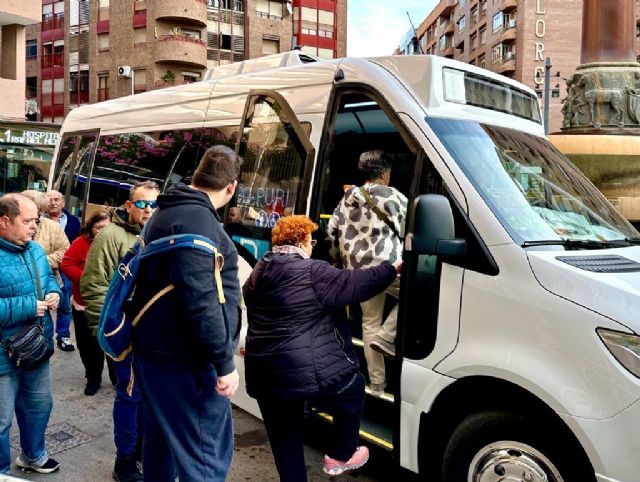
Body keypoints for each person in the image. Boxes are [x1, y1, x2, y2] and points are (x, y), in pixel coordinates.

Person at [243, 215, 398, 481]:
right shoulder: (314, 271)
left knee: (285, 443)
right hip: (300, 370)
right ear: (303, 240)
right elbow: (357, 283)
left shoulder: (258, 271)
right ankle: (341, 454)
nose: (312, 245)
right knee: (353, 387)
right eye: (311, 240)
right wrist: (392, 269)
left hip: (263, 373)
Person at [130, 145, 242, 482]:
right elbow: (202, 299)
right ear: (231, 187)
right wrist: (225, 364)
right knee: (204, 458)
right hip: (186, 362)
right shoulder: (199, 222)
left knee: (162, 445)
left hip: (156, 353)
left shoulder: (165, 211)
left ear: (196, 176)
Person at [80, 181, 159, 482]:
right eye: (141, 204)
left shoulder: (161, 235)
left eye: (153, 204)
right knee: (129, 398)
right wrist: (113, 336)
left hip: (154, 340)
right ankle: (124, 460)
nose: (148, 209)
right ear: (128, 206)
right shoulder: (111, 236)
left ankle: (142, 454)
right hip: (126, 338)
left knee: (148, 401)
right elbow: (94, 286)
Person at [326, 150, 407, 395]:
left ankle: (377, 386)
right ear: (384, 173)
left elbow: (331, 233)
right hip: (389, 270)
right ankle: (388, 335)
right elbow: (410, 230)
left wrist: (336, 261)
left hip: (358, 275)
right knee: (418, 295)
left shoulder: (346, 198)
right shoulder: (395, 197)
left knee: (369, 323)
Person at [0, 194, 61, 474]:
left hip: (36, 347)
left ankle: (33, 455)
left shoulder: (35, 249)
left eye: (36, 220)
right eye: (27, 221)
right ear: (4, 221)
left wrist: (54, 292)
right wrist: (26, 306)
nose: (34, 226)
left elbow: (48, 277)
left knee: (39, 406)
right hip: (3, 356)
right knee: (1, 421)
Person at [60, 210, 112, 396]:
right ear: (91, 227)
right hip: (84, 304)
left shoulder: (117, 243)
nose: (102, 232)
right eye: (99, 227)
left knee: (113, 342)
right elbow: (66, 264)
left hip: (112, 304)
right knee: (88, 345)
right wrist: (88, 280)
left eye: (106, 227)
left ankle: (116, 377)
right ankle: (93, 378)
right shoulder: (81, 243)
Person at [21, 191, 73, 352]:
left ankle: (56, 339)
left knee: (55, 312)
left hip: (47, 279)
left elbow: (65, 251)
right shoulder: (10, 228)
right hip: (18, 287)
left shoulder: (52, 227)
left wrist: (39, 262)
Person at [46, 190, 80, 353]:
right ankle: (40, 338)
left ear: (63, 202)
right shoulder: (39, 220)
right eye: (50, 199)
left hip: (65, 269)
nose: (53, 202)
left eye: (56, 199)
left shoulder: (73, 221)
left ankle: (63, 336)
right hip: (44, 268)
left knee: (65, 303)